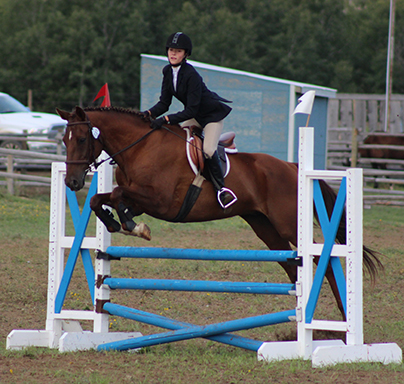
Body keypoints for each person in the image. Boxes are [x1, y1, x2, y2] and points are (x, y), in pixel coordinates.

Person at [141, 32, 237, 209]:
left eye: (177, 51)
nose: (173, 54)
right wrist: (147, 114)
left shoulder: (191, 74)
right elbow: (164, 103)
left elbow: (190, 109)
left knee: (208, 149)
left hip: (211, 117)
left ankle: (222, 191)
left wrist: (166, 119)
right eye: (171, 50)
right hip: (194, 115)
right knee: (173, 137)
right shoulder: (167, 71)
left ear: (185, 54)